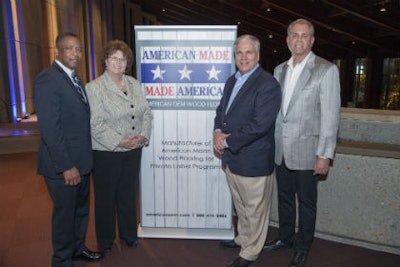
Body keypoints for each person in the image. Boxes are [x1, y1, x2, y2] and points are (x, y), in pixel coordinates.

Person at [263, 19, 341, 267]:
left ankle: (303, 246)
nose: (299, 39)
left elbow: (330, 117)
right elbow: (278, 113)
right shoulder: (279, 70)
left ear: (312, 40)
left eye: (304, 35)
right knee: (284, 198)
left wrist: (325, 155)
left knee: (306, 202)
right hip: (281, 150)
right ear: (287, 40)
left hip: (308, 151)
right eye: (294, 35)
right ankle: (285, 238)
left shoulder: (326, 70)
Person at [33, 32, 103, 267]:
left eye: (79, 49)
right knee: (65, 217)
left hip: (82, 163)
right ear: (58, 52)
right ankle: (62, 261)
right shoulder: (48, 79)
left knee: (80, 212)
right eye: (69, 49)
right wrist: (67, 166)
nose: (76, 53)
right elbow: (50, 129)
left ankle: (76, 249)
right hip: (63, 167)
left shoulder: (74, 79)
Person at [214, 34, 282, 267]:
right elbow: (221, 110)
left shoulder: (267, 83)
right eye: (239, 53)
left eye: (248, 52)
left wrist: (227, 142)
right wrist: (216, 131)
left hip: (253, 158)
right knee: (241, 205)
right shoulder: (232, 80)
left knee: (254, 210)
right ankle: (243, 238)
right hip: (233, 159)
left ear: (258, 55)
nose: (243, 57)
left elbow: (260, 125)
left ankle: (251, 252)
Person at [85, 40, 153, 255]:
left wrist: (142, 135)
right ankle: (105, 241)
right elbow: (95, 124)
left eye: (122, 59)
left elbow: (146, 113)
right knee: (106, 198)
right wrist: (120, 141)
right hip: (107, 152)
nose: (118, 62)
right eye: (114, 58)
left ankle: (128, 234)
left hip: (134, 150)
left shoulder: (134, 83)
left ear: (127, 62)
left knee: (127, 194)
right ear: (105, 61)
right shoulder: (94, 87)